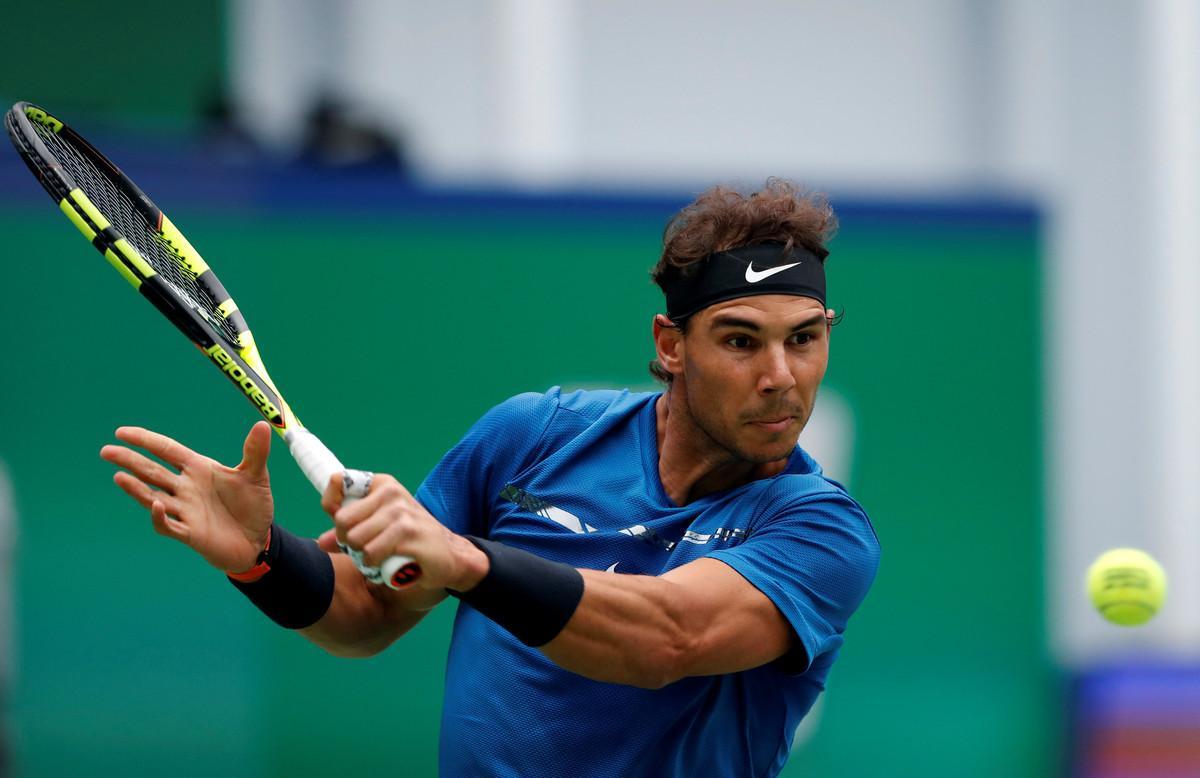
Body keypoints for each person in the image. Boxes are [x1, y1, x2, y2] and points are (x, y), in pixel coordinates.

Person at [100, 179, 880, 777]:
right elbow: (369, 607)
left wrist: (465, 562)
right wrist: (261, 555)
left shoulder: (818, 530)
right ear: (671, 345)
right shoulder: (532, 435)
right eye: (742, 341)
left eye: (805, 339)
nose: (783, 377)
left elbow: (668, 636)